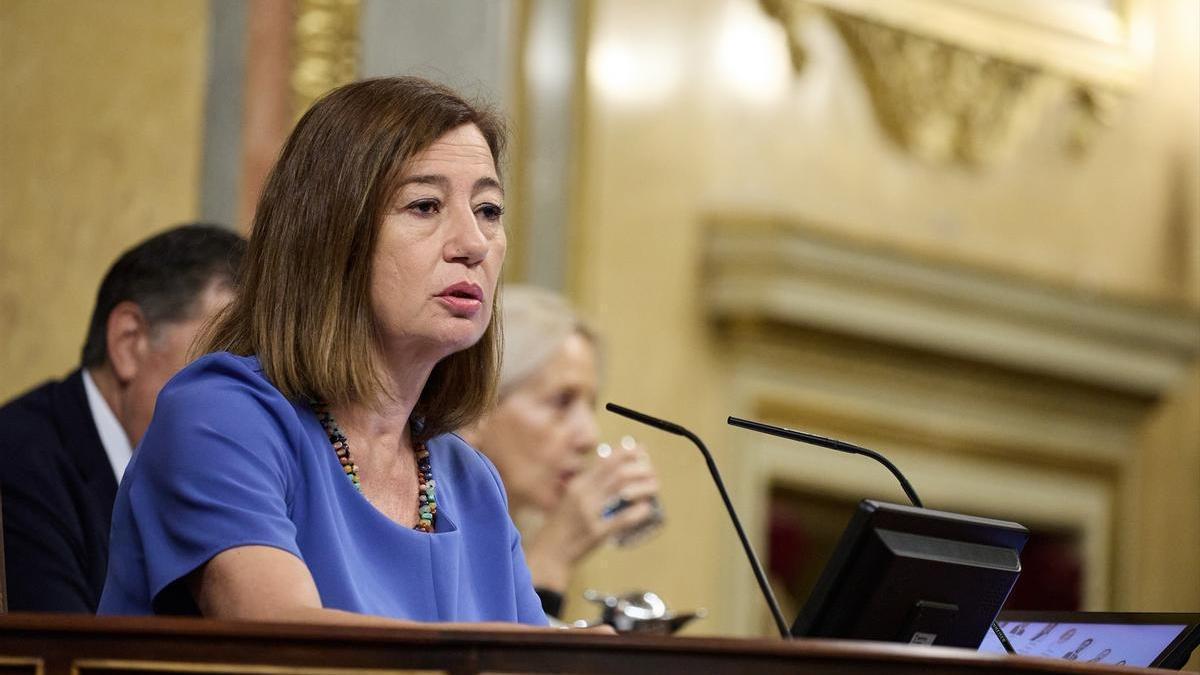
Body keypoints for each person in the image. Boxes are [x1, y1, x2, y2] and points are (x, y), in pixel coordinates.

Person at [98, 77, 549, 629]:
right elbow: (283, 637)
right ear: (330, 235)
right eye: (425, 205)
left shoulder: (468, 478)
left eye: (489, 209)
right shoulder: (222, 417)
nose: (474, 244)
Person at [0, 223, 245, 612]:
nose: (244, 398)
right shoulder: (16, 461)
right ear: (129, 342)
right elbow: (63, 655)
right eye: (222, 363)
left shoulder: (237, 476)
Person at [460, 285, 661, 619]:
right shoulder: (425, 528)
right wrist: (551, 555)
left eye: (590, 405)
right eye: (562, 402)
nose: (589, 437)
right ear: (478, 407)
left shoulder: (504, 539)